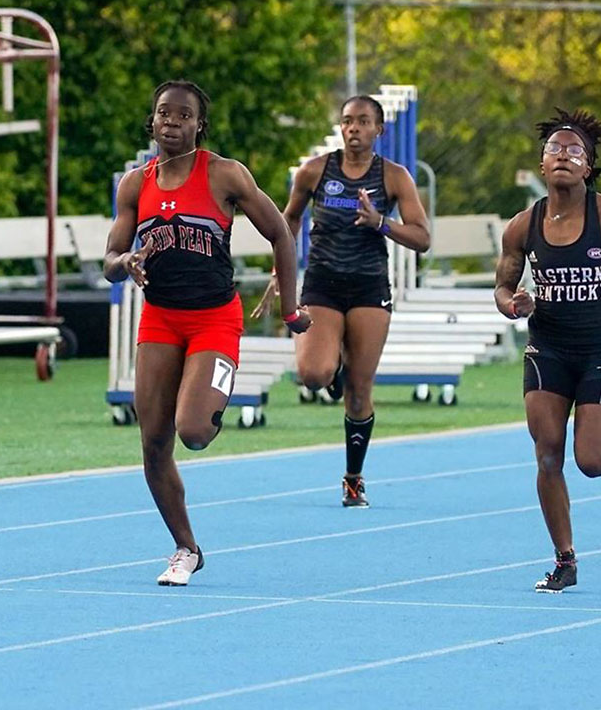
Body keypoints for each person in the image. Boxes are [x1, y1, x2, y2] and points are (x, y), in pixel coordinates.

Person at [104, 80, 311, 587]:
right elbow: (108, 261)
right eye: (162, 114)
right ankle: (185, 548)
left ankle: (213, 392)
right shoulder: (135, 184)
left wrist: (289, 306)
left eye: (183, 115)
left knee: (193, 431)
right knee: (153, 443)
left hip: (214, 318)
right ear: (151, 122)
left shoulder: (224, 174)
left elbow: (281, 233)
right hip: (160, 318)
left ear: (199, 125)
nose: (171, 122)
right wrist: (124, 261)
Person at [493, 108, 601, 592]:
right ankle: (564, 560)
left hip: (597, 350)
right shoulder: (521, 228)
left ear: (588, 167)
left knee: (590, 462)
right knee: (548, 457)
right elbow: (503, 288)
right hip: (546, 349)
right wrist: (513, 304)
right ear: (543, 166)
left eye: (575, 152)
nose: (564, 157)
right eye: (555, 150)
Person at [254, 95, 430, 508]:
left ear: (378, 130)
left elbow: (422, 238)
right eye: (348, 121)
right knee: (313, 374)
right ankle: (333, 364)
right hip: (322, 285)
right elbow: (288, 221)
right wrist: (279, 273)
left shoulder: (394, 177)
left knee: (359, 390)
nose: (354, 129)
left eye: (363, 122)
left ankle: (353, 478)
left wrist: (381, 223)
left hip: (369, 288)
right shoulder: (315, 171)